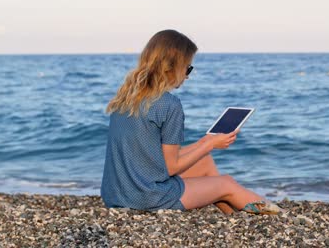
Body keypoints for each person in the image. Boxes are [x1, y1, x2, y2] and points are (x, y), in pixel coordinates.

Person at [100, 29, 284, 215]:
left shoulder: (125, 99)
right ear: (171, 67)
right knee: (227, 183)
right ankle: (279, 217)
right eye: (188, 68)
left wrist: (205, 142)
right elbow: (171, 168)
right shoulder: (169, 104)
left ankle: (233, 216)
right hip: (146, 196)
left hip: (117, 193)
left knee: (204, 162)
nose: (188, 75)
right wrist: (211, 143)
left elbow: (152, 158)